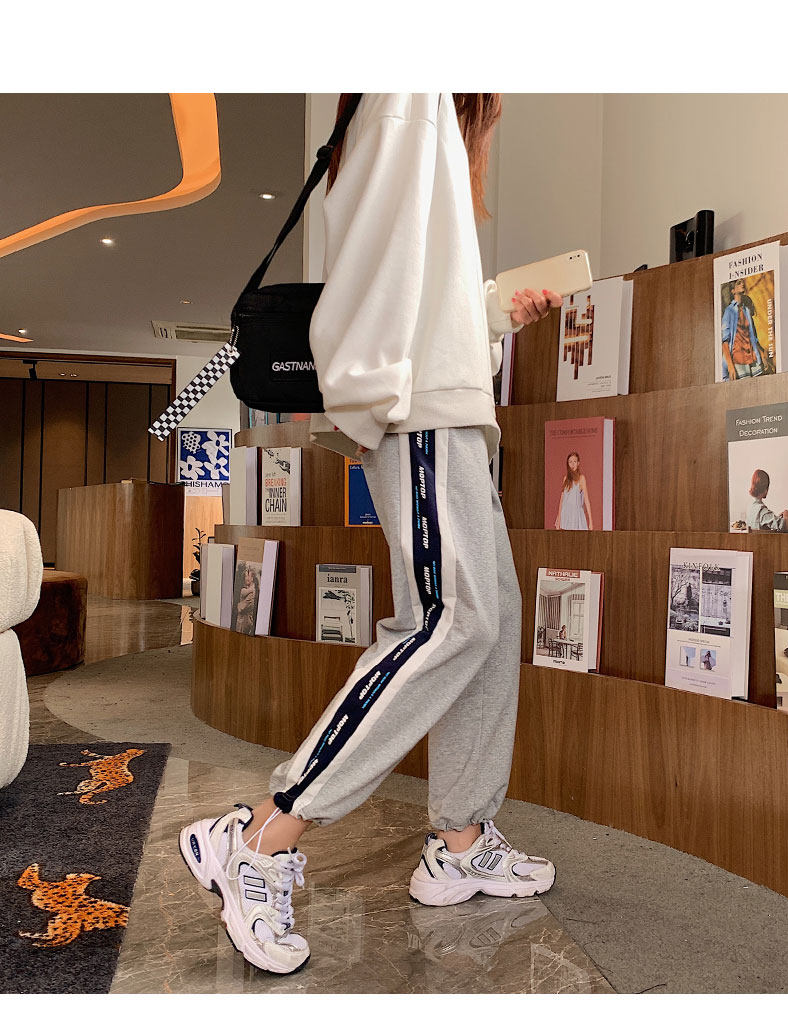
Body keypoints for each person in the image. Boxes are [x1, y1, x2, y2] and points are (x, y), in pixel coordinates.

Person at [180, 93, 561, 975]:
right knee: (449, 618)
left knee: (489, 611)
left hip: (444, 409)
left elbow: (417, 289)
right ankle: (260, 837)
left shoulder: (421, 101)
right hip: (420, 411)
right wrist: (371, 400)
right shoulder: (410, 85)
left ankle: (461, 840)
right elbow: (372, 271)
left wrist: (493, 313)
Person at [721, 278, 770, 381]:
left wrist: (762, 356)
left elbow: (753, 338)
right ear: (733, 291)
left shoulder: (746, 310)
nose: (742, 284)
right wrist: (730, 366)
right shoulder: (729, 311)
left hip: (753, 359)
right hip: (738, 361)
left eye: (742, 282)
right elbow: (725, 342)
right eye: (739, 283)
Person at [554, 451, 593, 530]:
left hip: (576, 514)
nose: (572, 464)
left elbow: (586, 500)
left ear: (578, 463)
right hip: (565, 514)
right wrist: (558, 517)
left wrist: (591, 521)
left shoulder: (581, 478)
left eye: (574, 461)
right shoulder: (565, 479)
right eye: (570, 462)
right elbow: (562, 500)